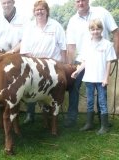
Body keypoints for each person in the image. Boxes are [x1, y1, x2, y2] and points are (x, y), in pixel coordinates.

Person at [64, 0, 119, 128]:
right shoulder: (72, 21)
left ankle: (102, 120)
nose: (80, 3)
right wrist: (70, 66)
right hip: (82, 60)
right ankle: (72, 118)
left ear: (88, 1)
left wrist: (115, 56)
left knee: (101, 92)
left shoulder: (102, 12)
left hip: (101, 59)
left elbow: (116, 32)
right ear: (74, 3)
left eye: (83, 0)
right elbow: (71, 46)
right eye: (77, 1)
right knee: (74, 88)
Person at [20, 0, 67, 123]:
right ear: (34, 12)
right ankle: (30, 115)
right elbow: (24, 48)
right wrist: (33, 61)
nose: (39, 12)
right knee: (31, 89)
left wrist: (63, 64)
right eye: (37, 10)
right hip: (34, 65)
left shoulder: (56, 26)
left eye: (42, 9)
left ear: (47, 11)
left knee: (51, 92)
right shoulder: (29, 27)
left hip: (52, 66)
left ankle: (51, 116)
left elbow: (63, 48)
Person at [71, 19, 117, 134]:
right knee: (90, 101)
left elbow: (108, 63)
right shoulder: (87, 44)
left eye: (98, 29)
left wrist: (106, 78)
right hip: (89, 79)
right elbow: (84, 62)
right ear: (90, 31)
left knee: (102, 102)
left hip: (101, 79)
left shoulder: (107, 44)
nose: (95, 31)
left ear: (101, 30)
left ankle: (104, 126)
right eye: (93, 29)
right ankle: (89, 123)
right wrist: (77, 71)